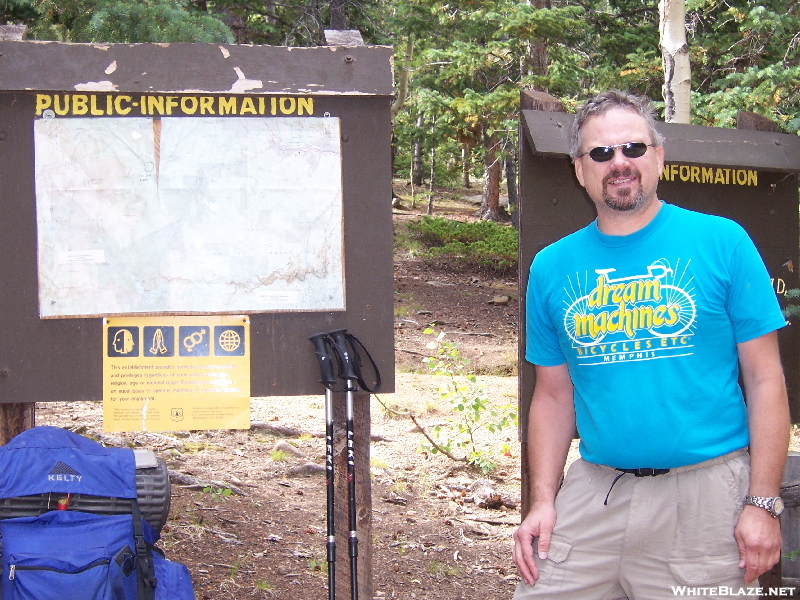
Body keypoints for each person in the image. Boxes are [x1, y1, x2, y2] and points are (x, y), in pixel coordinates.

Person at [511, 90, 790, 599]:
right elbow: (552, 395)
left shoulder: (722, 241)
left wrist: (763, 502)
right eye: (601, 153)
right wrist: (543, 501)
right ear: (580, 169)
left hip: (704, 500)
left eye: (633, 148)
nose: (619, 162)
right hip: (595, 492)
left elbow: (765, 378)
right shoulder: (551, 267)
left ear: (658, 157)